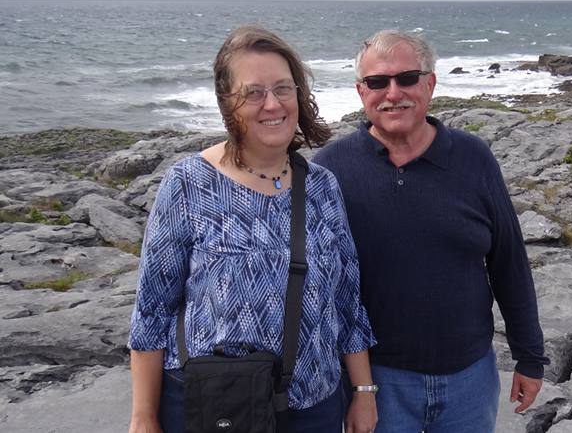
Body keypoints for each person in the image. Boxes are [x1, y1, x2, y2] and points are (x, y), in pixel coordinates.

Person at [127, 26, 378, 433]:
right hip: (217, 405)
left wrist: (364, 392)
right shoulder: (189, 184)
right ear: (227, 101)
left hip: (314, 405)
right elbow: (153, 310)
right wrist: (143, 415)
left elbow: (347, 302)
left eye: (283, 88)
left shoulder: (322, 186)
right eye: (253, 92)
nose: (272, 104)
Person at [314, 30, 549, 432]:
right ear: (360, 91)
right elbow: (323, 288)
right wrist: (357, 388)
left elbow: (508, 261)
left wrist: (529, 357)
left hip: (469, 378)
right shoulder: (332, 168)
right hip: (377, 382)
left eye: (407, 78)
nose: (393, 93)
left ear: (430, 83)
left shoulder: (473, 157)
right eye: (377, 82)